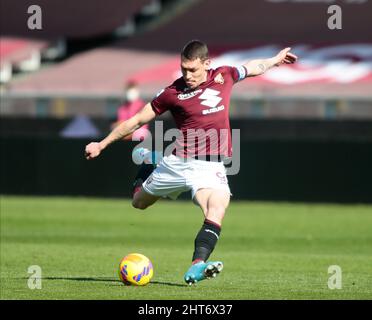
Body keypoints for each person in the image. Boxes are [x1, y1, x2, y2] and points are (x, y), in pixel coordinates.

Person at [85, 40, 297, 285]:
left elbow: (253, 66)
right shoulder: (171, 93)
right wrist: (102, 144)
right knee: (138, 203)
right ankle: (149, 164)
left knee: (217, 208)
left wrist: (274, 60)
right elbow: (136, 120)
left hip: (211, 166)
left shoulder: (224, 75)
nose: (187, 75)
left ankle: (197, 265)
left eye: (192, 70)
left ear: (207, 64)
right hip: (177, 163)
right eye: (183, 69)